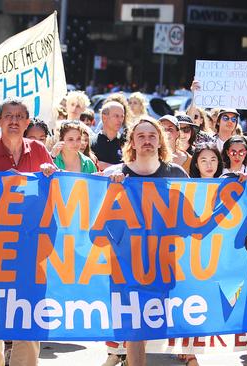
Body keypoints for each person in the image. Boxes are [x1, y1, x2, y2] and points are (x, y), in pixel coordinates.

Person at [0, 98, 56, 366]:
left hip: (29, 251)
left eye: (20, 117)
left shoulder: (40, 151)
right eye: (9, 116)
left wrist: (53, 174)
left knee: (28, 321)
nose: (14, 121)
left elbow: (58, 192)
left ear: (28, 123)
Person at [103, 117, 189, 366]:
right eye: (141, 136)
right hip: (124, 264)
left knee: (153, 324)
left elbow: (190, 217)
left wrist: (234, 184)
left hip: (162, 262)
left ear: (160, 140)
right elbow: (96, 220)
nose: (147, 140)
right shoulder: (115, 174)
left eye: (152, 135)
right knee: (133, 330)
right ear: (132, 141)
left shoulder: (176, 174)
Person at [91, 101, 125, 170]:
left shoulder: (126, 143)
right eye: (116, 116)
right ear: (104, 118)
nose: (120, 120)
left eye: (122, 116)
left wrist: (105, 166)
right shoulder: (91, 142)